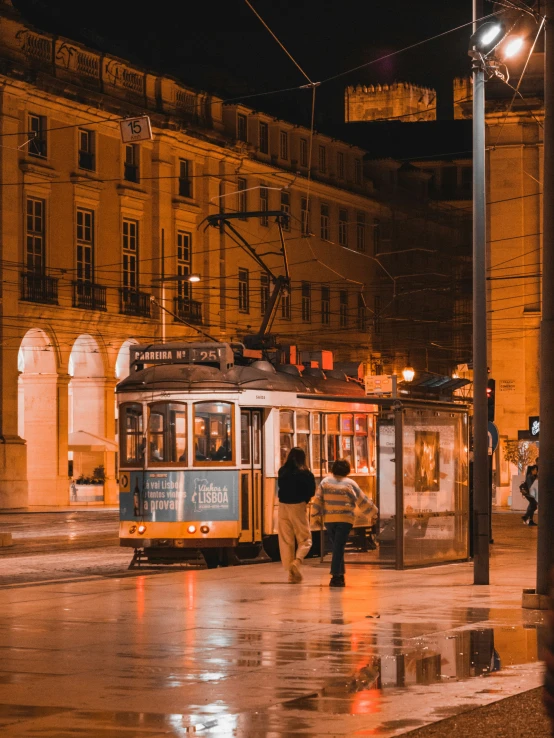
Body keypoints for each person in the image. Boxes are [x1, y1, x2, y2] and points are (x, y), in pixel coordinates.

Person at [312, 458, 377, 588]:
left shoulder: (325, 482)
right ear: (347, 470)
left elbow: (318, 499)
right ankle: (336, 576)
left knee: (337, 547)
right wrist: (374, 513)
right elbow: (362, 500)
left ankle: (339, 576)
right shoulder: (350, 483)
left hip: (329, 520)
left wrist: (314, 515)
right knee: (339, 547)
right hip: (345, 520)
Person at [277, 447, 315, 583]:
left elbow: (280, 488)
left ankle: (290, 574)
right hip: (298, 506)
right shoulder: (306, 474)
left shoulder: (282, 471)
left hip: (282, 507)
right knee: (305, 539)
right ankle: (297, 562)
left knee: (286, 540)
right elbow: (311, 491)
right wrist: (305, 500)